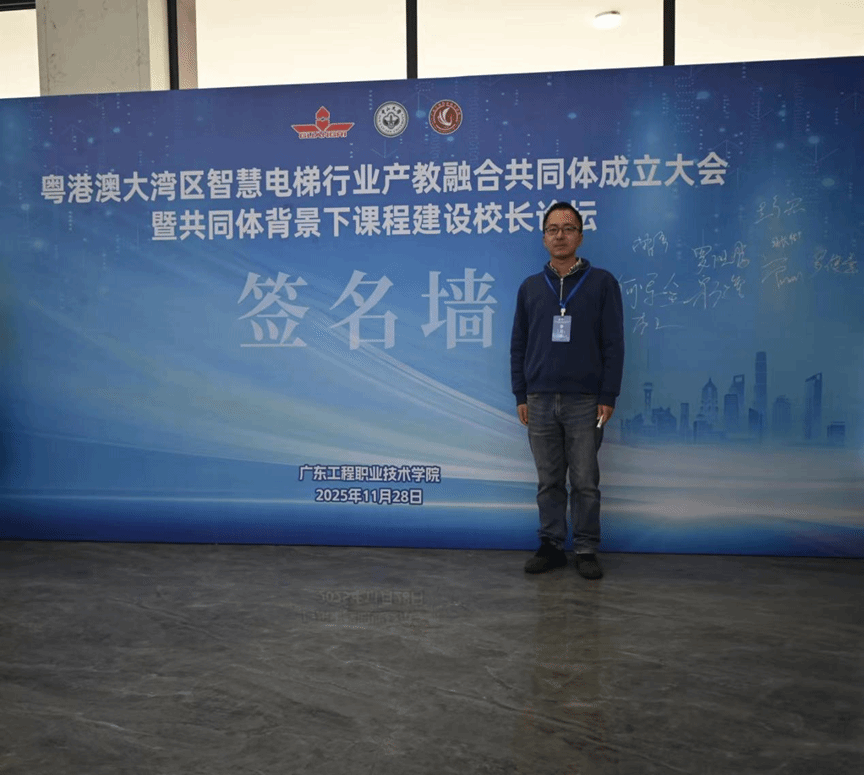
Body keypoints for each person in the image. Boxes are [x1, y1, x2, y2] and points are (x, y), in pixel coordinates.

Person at [510, 202, 624, 579]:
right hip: (539, 399)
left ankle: (586, 548)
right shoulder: (530, 288)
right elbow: (518, 345)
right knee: (549, 481)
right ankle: (552, 545)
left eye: (568, 228)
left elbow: (613, 343)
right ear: (544, 237)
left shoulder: (602, 283)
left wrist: (608, 395)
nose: (560, 235)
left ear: (580, 236)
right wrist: (521, 394)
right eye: (553, 229)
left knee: (585, 482)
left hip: (586, 401)